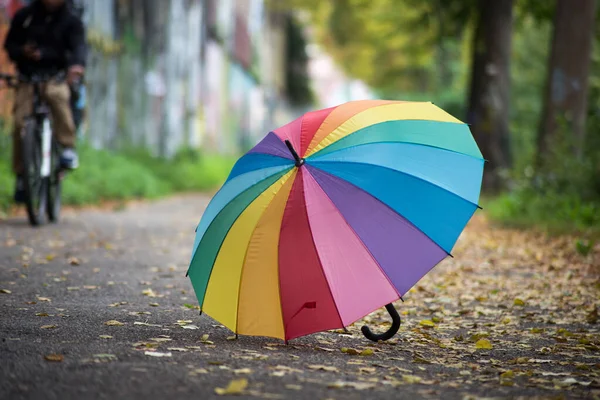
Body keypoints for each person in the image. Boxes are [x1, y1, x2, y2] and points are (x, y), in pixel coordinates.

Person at [3, 0, 87, 203]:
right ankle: (22, 175)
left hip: (55, 76)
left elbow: (79, 48)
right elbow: (9, 44)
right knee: (21, 122)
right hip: (28, 76)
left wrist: (76, 66)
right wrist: (23, 51)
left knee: (58, 98)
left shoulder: (71, 20)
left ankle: (67, 147)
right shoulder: (25, 17)